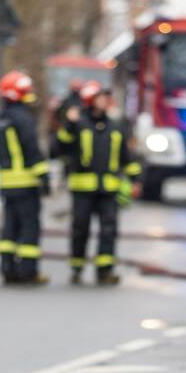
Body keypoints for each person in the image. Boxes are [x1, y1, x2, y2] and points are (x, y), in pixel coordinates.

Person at [56, 81, 140, 285]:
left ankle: (105, 270)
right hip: (82, 189)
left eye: (105, 97)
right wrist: (68, 123)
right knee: (80, 229)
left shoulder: (115, 126)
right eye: (100, 97)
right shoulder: (77, 125)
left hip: (109, 190)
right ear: (89, 100)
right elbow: (58, 148)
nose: (104, 100)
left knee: (109, 230)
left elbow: (126, 157)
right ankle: (77, 268)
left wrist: (135, 180)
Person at [0, 70, 49, 286]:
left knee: (9, 226)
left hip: (7, 183)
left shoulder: (1, 119)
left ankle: (7, 267)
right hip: (25, 183)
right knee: (29, 227)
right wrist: (43, 176)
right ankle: (28, 271)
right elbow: (31, 149)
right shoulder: (23, 118)